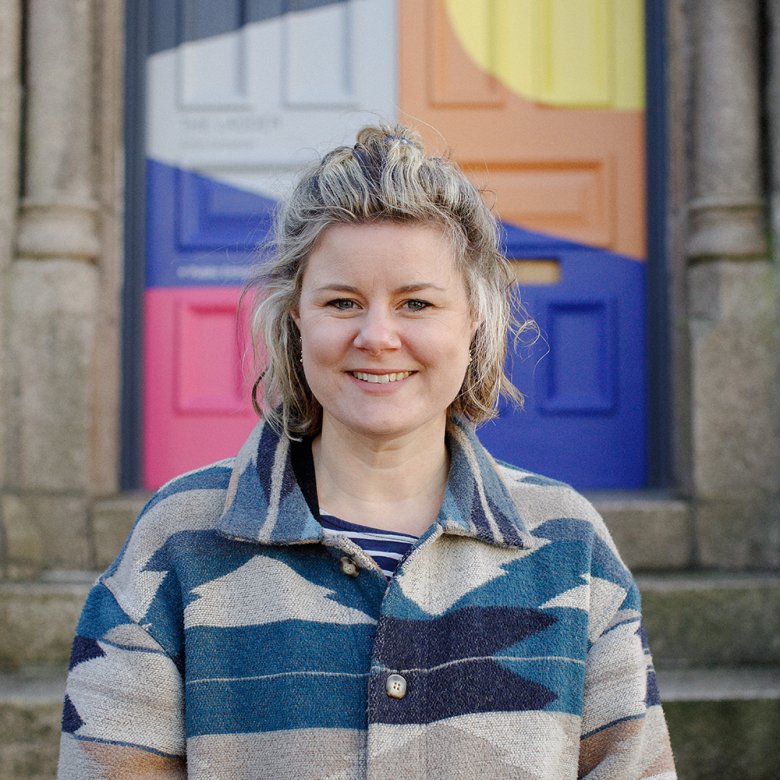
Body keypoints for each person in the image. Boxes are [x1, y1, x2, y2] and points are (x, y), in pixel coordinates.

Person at [58, 124, 676, 779]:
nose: (377, 336)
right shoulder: (179, 537)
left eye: (416, 302)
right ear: (298, 318)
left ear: (473, 320)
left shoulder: (568, 545)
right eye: (342, 301)